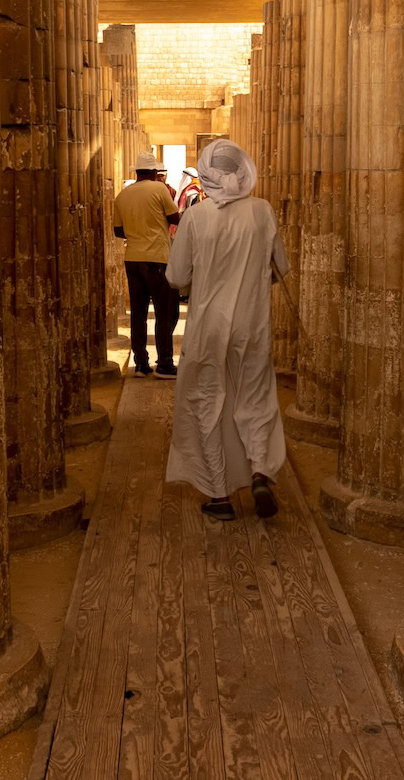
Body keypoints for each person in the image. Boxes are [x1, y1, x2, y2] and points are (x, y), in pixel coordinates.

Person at [164, 138, 288, 521]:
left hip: (207, 326)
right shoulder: (262, 212)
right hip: (252, 323)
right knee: (256, 399)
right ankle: (260, 472)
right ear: (241, 170)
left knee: (207, 403)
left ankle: (218, 496)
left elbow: (176, 275)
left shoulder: (196, 217)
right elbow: (280, 268)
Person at [112, 153, 180, 378]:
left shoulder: (122, 195)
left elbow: (118, 231)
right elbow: (174, 218)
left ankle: (141, 363)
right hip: (158, 257)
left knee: (138, 313)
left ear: (137, 172)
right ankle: (165, 364)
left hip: (132, 258)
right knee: (165, 312)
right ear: (153, 173)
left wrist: (137, 231)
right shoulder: (160, 190)